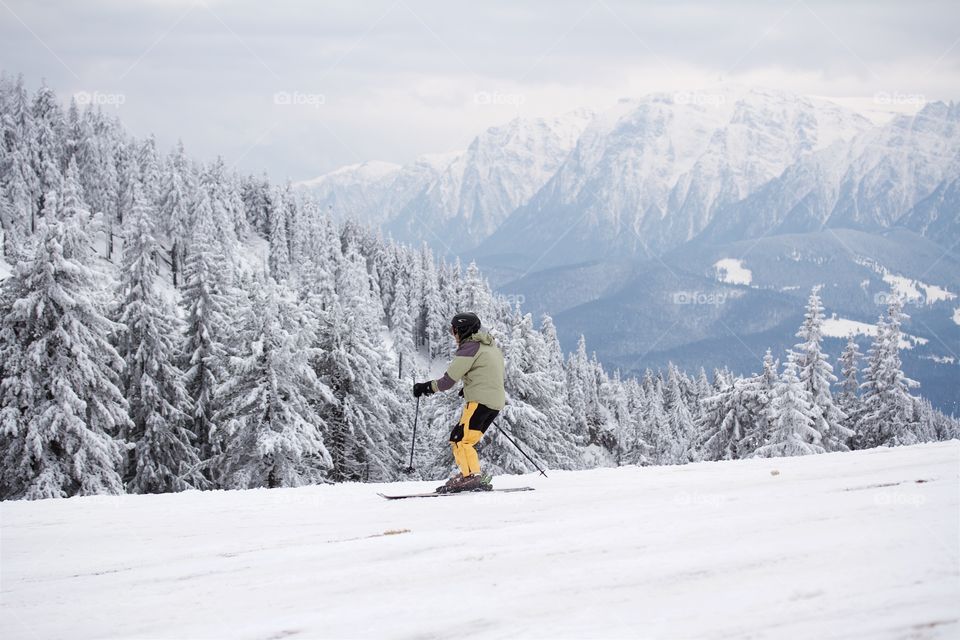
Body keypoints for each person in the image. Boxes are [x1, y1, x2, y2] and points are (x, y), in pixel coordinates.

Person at [413, 312, 505, 493]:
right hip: (494, 402)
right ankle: (470, 474)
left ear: (462, 330)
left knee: (460, 440)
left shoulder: (469, 348)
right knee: (462, 438)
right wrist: (471, 384)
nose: (453, 334)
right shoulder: (489, 346)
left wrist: (426, 387)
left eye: (454, 330)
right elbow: (489, 370)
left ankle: (471, 476)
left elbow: (447, 382)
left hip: (480, 401)